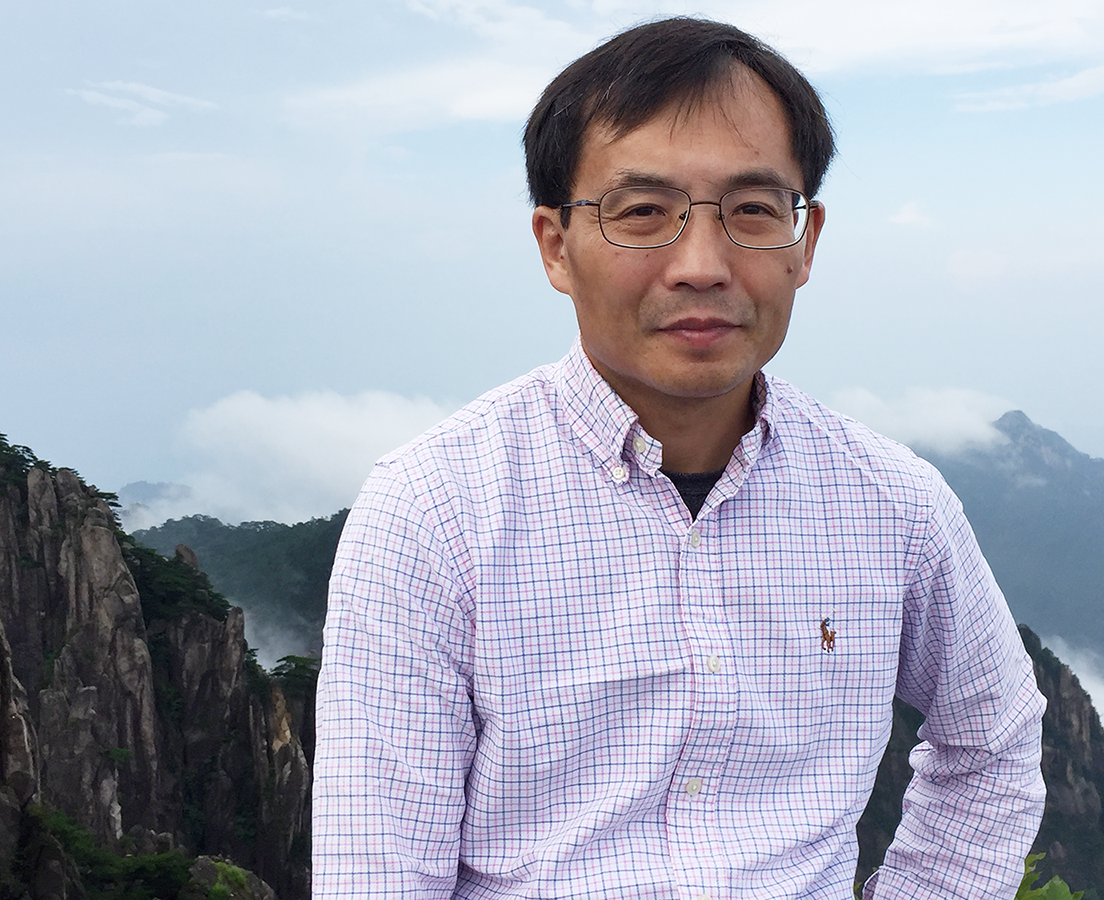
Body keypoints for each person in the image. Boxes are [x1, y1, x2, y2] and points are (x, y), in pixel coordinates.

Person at [313, 17, 1046, 900]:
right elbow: (378, 870)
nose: (701, 264)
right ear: (555, 244)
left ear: (805, 240)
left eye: (750, 211)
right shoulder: (434, 511)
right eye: (643, 212)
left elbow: (994, 736)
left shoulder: (891, 503)